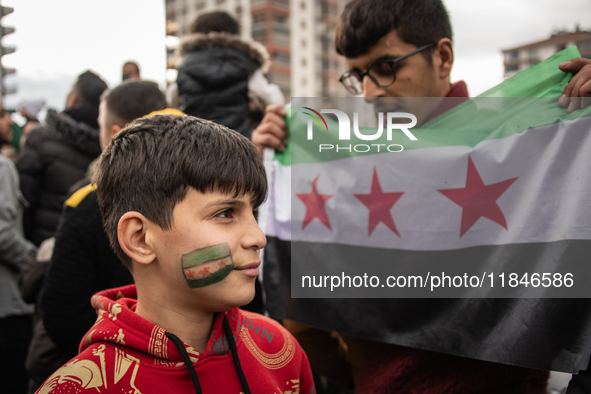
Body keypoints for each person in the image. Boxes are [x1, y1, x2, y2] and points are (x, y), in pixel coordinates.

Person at [252, 0, 591, 392]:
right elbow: (303, 320)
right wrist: (270, 170)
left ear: (442, 57)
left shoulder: (536, 148)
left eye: (385, 68)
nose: (368, 93)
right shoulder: (344, 170)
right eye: (357, 75)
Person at [35, 114, 315, 394]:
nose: (258, 238)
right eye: (225, 213)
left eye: (253, 212)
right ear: (140, 239)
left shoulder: (281, 350)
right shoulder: (76, 388)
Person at [27, 81, 170, 392]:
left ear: (116, 134)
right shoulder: (207, 190)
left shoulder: (89, 202)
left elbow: (60, 311)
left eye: (100, 128)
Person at [16, 70, 108, 246]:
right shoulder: (116, 144)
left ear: (72, 99)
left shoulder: (41, 139)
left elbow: (24, 200)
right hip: (98, 250)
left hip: (44, 247)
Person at [175, 11, 284, 139]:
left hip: (194, 143)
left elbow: (174, 99)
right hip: (237, 143)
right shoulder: (244, 62)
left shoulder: (185, 64)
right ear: (236, 35)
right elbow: (273, 100)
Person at [0, 100, 37, 394]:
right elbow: (2, 233)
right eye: (1, 115)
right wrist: (35, 259)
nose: (9, 121)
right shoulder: (2, 168)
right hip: (7, 304)